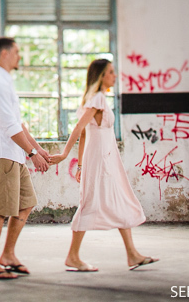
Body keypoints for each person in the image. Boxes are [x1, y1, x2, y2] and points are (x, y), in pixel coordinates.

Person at [49, 58, 159, 272]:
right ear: (101, 76)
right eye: (110, 72)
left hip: (106, 157)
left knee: (120, 199)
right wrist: (65, 154)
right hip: (100, 159)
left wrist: (80, 165)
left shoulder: (97, 98)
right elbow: (79, 128)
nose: (114, 76)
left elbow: (85, 132)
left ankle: (132, 254)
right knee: (90, 203)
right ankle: (73, 256)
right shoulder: (97, 98)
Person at [0, 37, 51, 280]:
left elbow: (18, 123)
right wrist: (32, 154)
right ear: (4, 54)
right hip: (2, 156)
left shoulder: (6, 82)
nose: (20, 56)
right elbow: (9, 126)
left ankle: (7, 255)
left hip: (14, 155)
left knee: (26, 202)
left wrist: (37, 149)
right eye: (17, 52)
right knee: (0, 211)